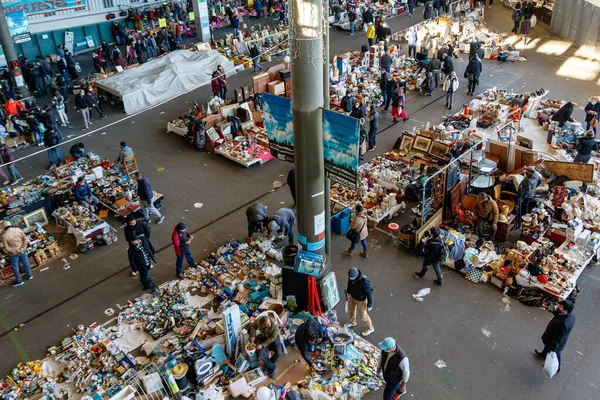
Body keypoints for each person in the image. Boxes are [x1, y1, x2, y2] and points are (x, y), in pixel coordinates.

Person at [534, 299, 575, 373]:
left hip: (554, 340)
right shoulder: (570, 316)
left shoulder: (564, 323)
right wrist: (551, 306)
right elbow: (558, 313)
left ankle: (557, 368)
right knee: (547, 346)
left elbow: (559, 338)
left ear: (565, 311)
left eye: (560, 307)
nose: (558, 307)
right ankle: (543, 355)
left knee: (555, 353)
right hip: (551, 337)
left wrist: (554, 349)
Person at [2, 221, 32, 287]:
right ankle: (29, 275)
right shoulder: (18, 230)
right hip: (22, 250)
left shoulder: (4, 236)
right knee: (25, 262)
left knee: (15, 267)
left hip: (13, 254)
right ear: (11, 225)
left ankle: (19, 281)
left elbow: (7, 248)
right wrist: (21, 249)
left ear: (4, 228)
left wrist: (15, 251)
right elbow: (25, 240)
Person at [345, 267, 374, 336]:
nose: (350, 278)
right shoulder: (351, 277)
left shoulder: (364, 281)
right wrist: (348, 292)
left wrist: (369, 304)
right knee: (351, 310)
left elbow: (369, 293)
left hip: (361, 300)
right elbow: (349, 284)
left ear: (356, 275)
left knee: (364, 316)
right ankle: (352, 322)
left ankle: (370, 328)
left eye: (351, 277)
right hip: (352, 297)